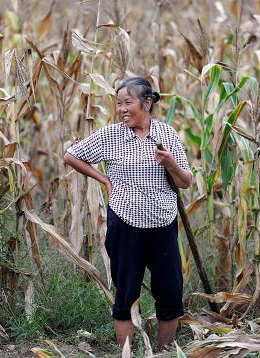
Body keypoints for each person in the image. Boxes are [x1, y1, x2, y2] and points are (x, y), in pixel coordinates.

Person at [63, 76, 192, 351]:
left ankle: (163, 351)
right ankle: (126, 353)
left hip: (163, 223)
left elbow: (185, 181)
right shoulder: (110, 135)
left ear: (146, 104)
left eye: (127, 103)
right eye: (118, 103)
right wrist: (104, 180)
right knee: (127, 291)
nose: (122, 109)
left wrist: (170, 163)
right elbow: (71, 155)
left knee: (170, 292)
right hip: (125, 223)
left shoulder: (166, 134)